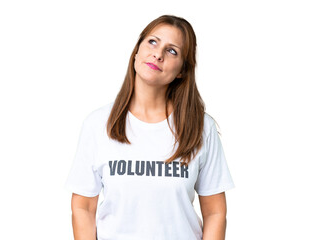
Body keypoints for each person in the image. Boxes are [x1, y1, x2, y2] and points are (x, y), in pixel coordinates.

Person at [65, 14, 235, 240]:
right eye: (152, 42)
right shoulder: (98, 124)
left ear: (183, 70)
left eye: (172, 50)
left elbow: (215, 212)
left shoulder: (201, 127)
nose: (158, 54)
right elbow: (83, 207)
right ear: (137, 51)